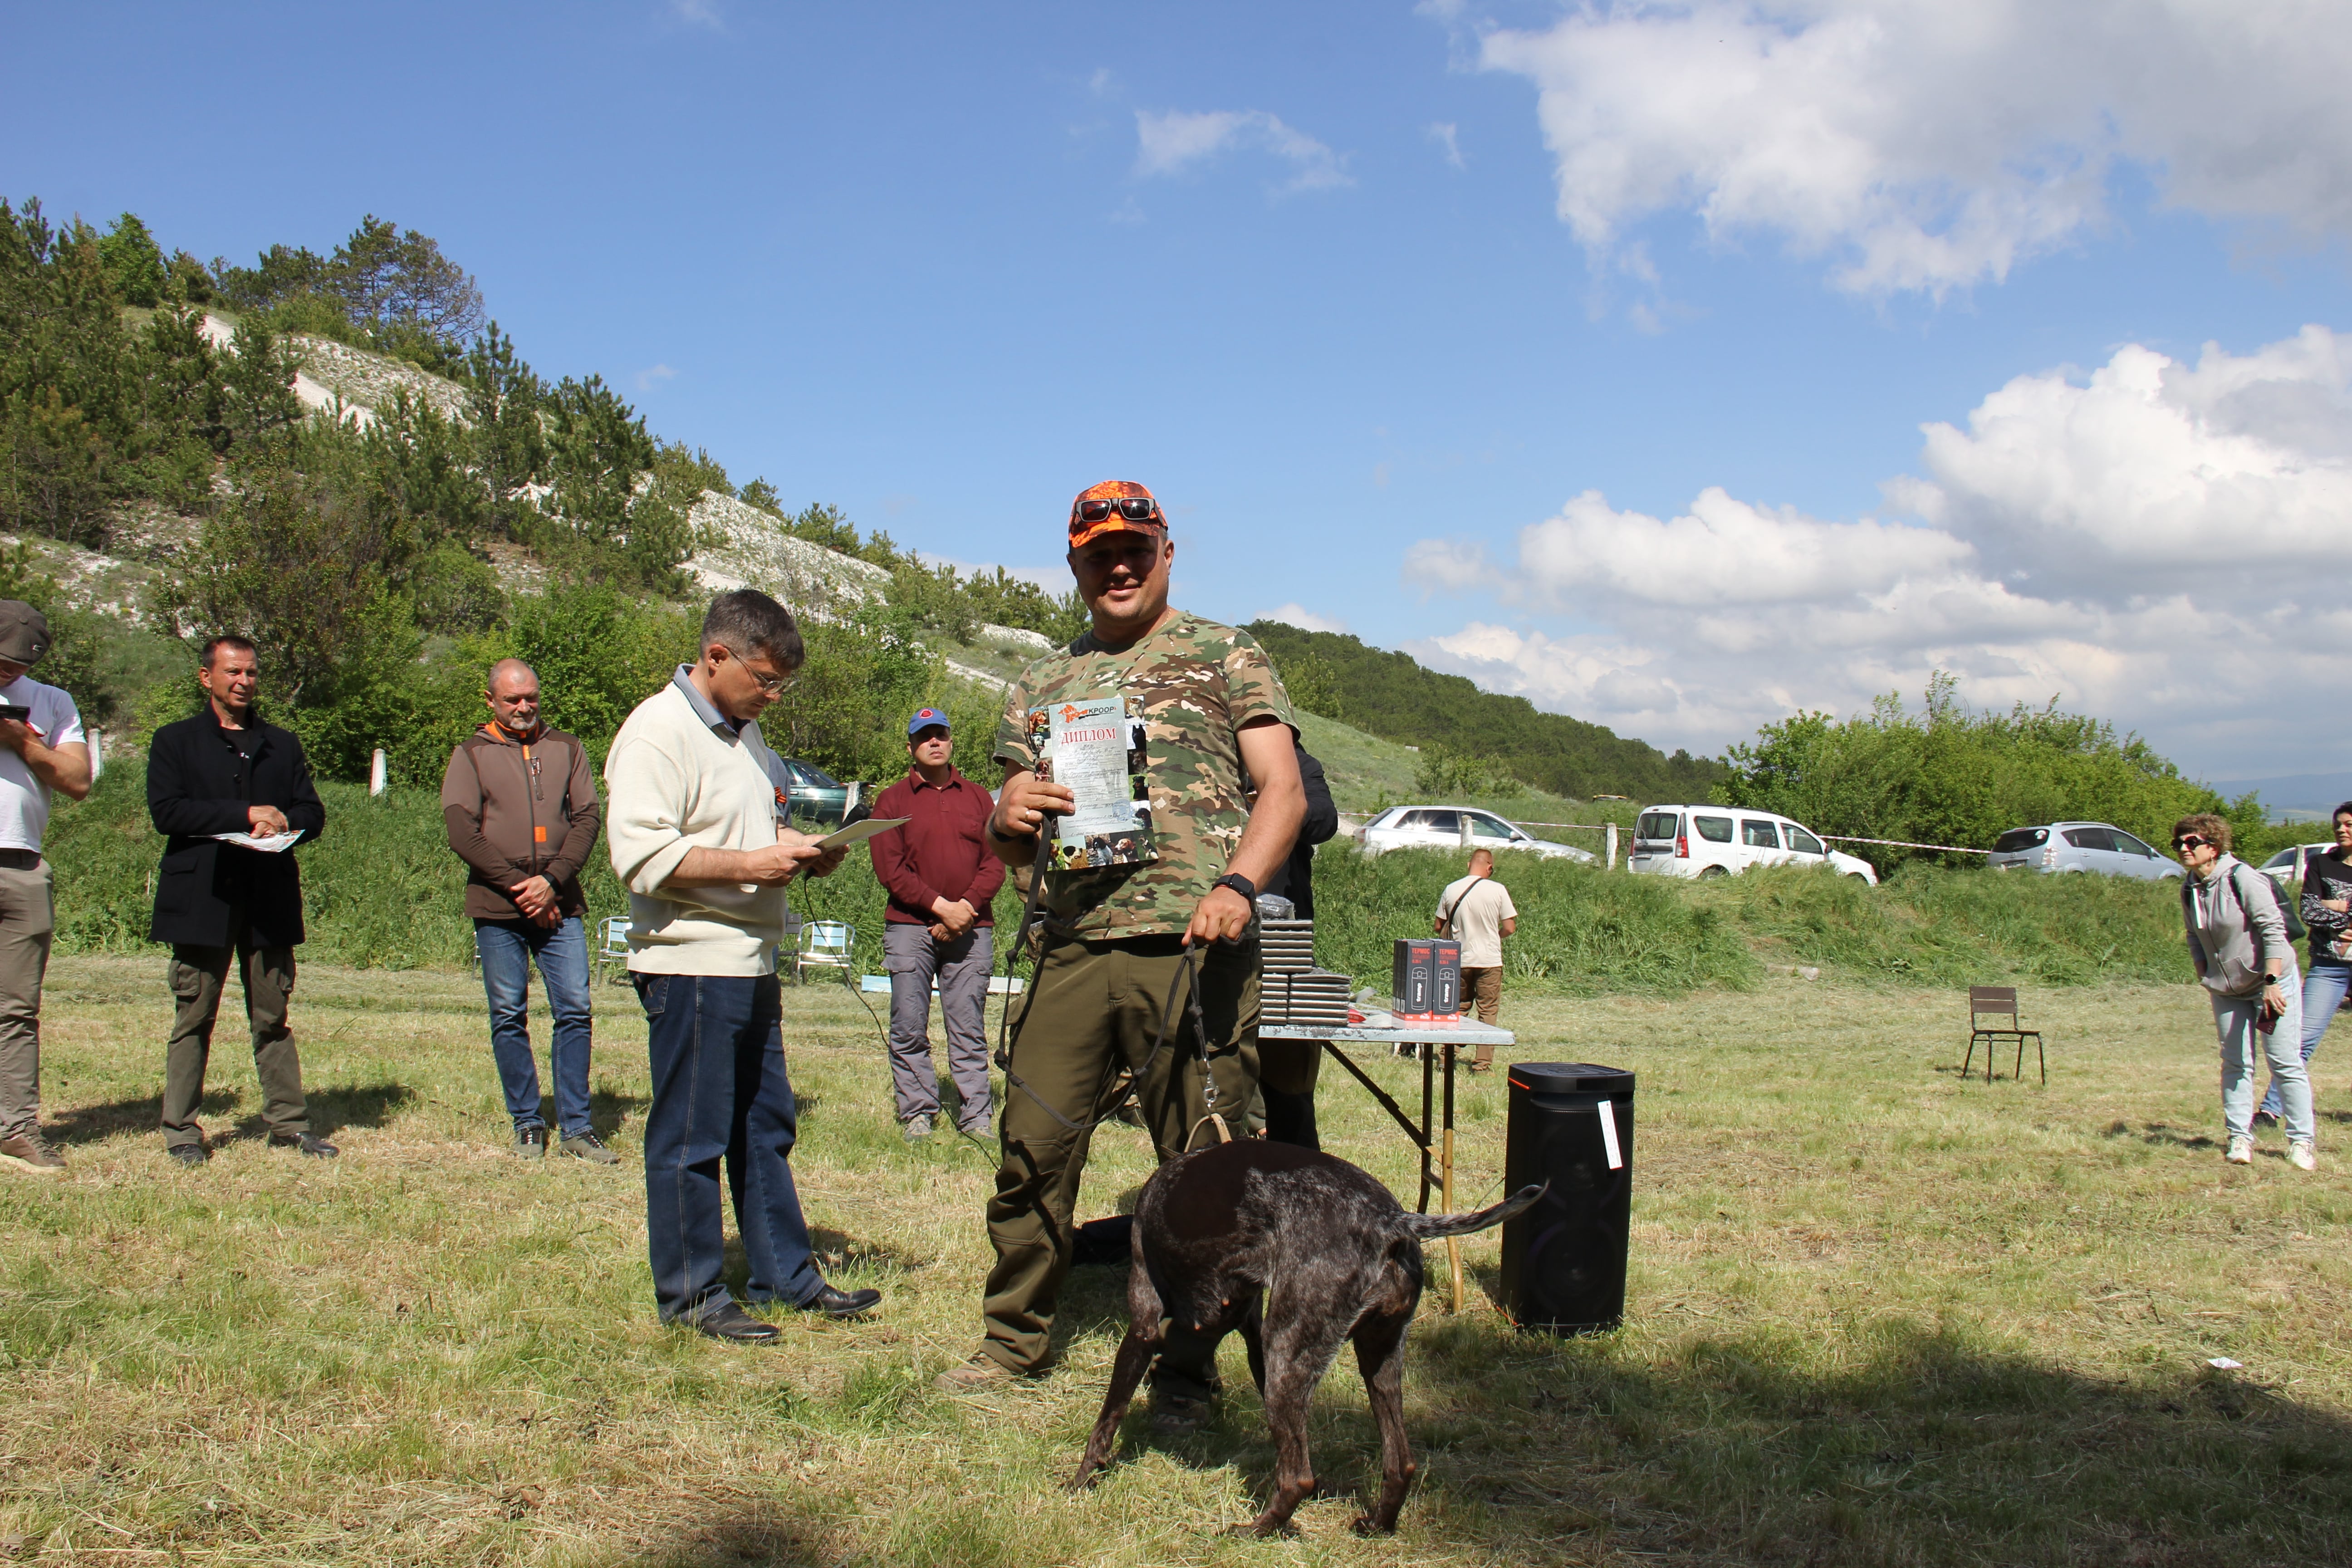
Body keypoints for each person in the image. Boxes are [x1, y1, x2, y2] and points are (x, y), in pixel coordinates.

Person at [936, 479, 1305, 1426]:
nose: (1119, 566)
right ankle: (1013, 1340)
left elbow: (1283, 792)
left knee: (1205, 1168)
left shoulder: (1227, 654)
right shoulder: (1038, 685)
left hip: (1193, 946)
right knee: (1033, 1147)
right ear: (1074, 566)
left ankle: (1189, 1371)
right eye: (1099, 553)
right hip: (1072, 947)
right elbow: (1012, 841)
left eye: (1134, 549)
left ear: (1166, 554)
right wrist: (1006, 813)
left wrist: (1237, 887)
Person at [604, 590, 882, 1341]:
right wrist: (756, 864)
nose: (773, 695)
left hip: (751, 962)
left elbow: (750, 828)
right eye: (764, 680)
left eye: (781, 684)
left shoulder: (744, 735)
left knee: (764, 1127)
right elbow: (641, 856)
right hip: (691, 963)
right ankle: (692, 1297)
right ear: (715, 656)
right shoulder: (656, 732)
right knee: (692, 1135)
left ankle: (785, 1276)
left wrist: (802, 850)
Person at [147, 636, 334, 1163]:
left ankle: (289, 1125)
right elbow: (168, 813)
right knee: (194, 1017)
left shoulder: (281, 744)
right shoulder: (175, 741)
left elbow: (312, 813)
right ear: (206, 677)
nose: (244, 681)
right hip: (202, 898)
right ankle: (182, 1132)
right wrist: (245, 814)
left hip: (268, 900)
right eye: (233, 672)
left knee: (272, 1016)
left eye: (251, 672)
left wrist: (285, 821)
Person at [441, 658, 613, 1164]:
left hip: (561, 900)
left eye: (531, 697)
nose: (524, 707)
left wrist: (552, 882)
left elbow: (587, 818)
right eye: (513, 699)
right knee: (508, 1013)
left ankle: (577, 1128)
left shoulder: (567, 748)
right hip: (498, 903)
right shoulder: (471, 754)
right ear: (491, 701)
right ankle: (528, 1123)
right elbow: (461, 830)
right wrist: (523, 887)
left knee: (575, 1010)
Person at [869, 706, 1005, 1142]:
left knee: (968, 1026)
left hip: (972, 926)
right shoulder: (891, 801)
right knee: (909, 1025)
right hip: (910, 928)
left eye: (940, 735)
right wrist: (940, 907)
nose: (934, 742)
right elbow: (890, 869)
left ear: (950, 742)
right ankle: (918, 1113)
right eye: (924, 736)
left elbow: (996, 862)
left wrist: (964, 908)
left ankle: (976, 1116)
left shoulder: (980, 798)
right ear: (911, 746)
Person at [0, 603, 91, 1176]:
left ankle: (16, 1128)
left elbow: (78, 781)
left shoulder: (53, 702)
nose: (9, 671)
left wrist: (22, 741)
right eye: (1, 661)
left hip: (24, 867)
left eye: (18, 665)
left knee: (16, 1009)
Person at [2176, 814, 2314, 1170]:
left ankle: (2301, 1142)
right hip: (2226, 988)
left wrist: (2271, 982)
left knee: (2284, 1061)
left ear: (2214, 847)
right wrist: (2204, 971)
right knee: (2235, 1062)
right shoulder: (2189, 888)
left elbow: (2273, 930)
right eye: (2179, 843)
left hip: (2270, 982)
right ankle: (2239, 1137)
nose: (2184, 849)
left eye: (2192, 843)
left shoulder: (2243, 878)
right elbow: (2193, 934)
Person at [1257, 742, 1337, 1150]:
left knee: (1289, 1090)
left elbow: (1325, 821)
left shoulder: (1296, 761)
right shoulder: (1205, 754)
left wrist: (1277, 801)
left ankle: (1297, 1168)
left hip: (1282, 950)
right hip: (1206, 942)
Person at [2259, 802, 2352, 1130]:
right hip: (2329, 967)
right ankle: (2270, 1111)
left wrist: (2336, 905)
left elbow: (2322, 908)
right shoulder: (2322, 864)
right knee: (2302, 1039)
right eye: (2338, 824)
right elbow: (2310, 912)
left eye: (2349, 824)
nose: (2341, 830)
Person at [1435, 847, 1517, 1071]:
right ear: (1490, 867)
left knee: (1457, 1009)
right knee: (1488, 1010)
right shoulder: (1498, 890)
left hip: (1458, 960)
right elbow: (1510, 927)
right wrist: (1496, 936)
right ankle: (1482, 1064)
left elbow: (1438, 926)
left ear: (1469, 865)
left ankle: (1446, 1059)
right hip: (1489, 960)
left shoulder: (1451, 889)